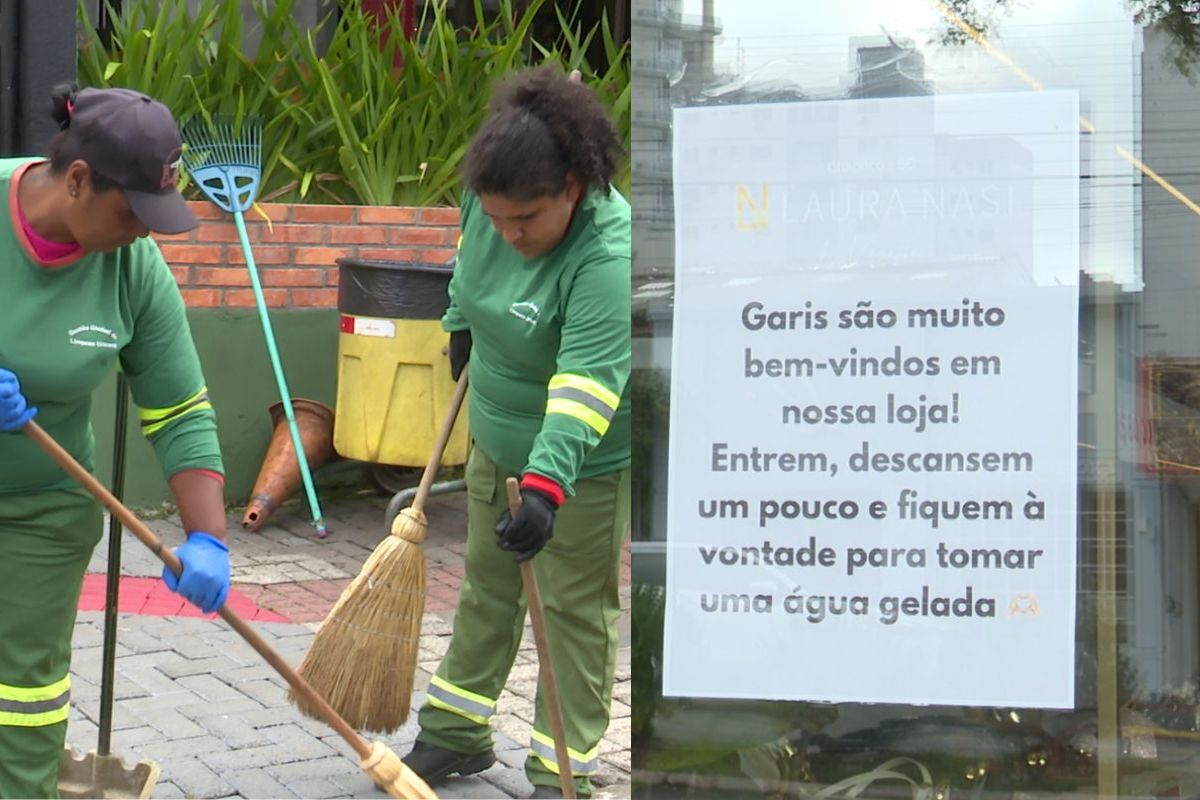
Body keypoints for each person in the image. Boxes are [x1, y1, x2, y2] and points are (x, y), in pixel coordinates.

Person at [402, 64, 631, 800]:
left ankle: (563, 770)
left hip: (579, 459)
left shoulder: (608, 255)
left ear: (571, 187)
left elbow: (588, 381)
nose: (509, 233)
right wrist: (460, 326)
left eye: (525, 220)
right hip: (496, 428)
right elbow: (469, 267)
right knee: (487, 586)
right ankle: (455, 733)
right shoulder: (490, 199)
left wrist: (545, 488)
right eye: (497, 216)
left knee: (569, 610)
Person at [0, 85, 231, 798]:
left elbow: (179, 407)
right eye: (132, 212)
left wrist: (208, 538)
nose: (144, 231)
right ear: (76, 181)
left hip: (43, 505)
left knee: (25, 693)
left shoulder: (133, 269)